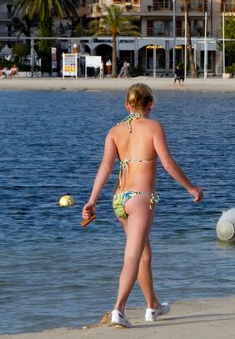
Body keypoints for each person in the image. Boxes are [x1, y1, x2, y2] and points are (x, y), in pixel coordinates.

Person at [82, 83, 203, 328]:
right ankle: (119, 309)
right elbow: (167, 163)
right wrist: (191, 188)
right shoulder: (154, 126)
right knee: (133, 255)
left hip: (119, 200)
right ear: (150, 105)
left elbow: (105, 167)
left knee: (144, 252)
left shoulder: (114, 131)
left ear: (127, 105)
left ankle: (153, 306)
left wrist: (92, 200)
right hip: (141, 199)